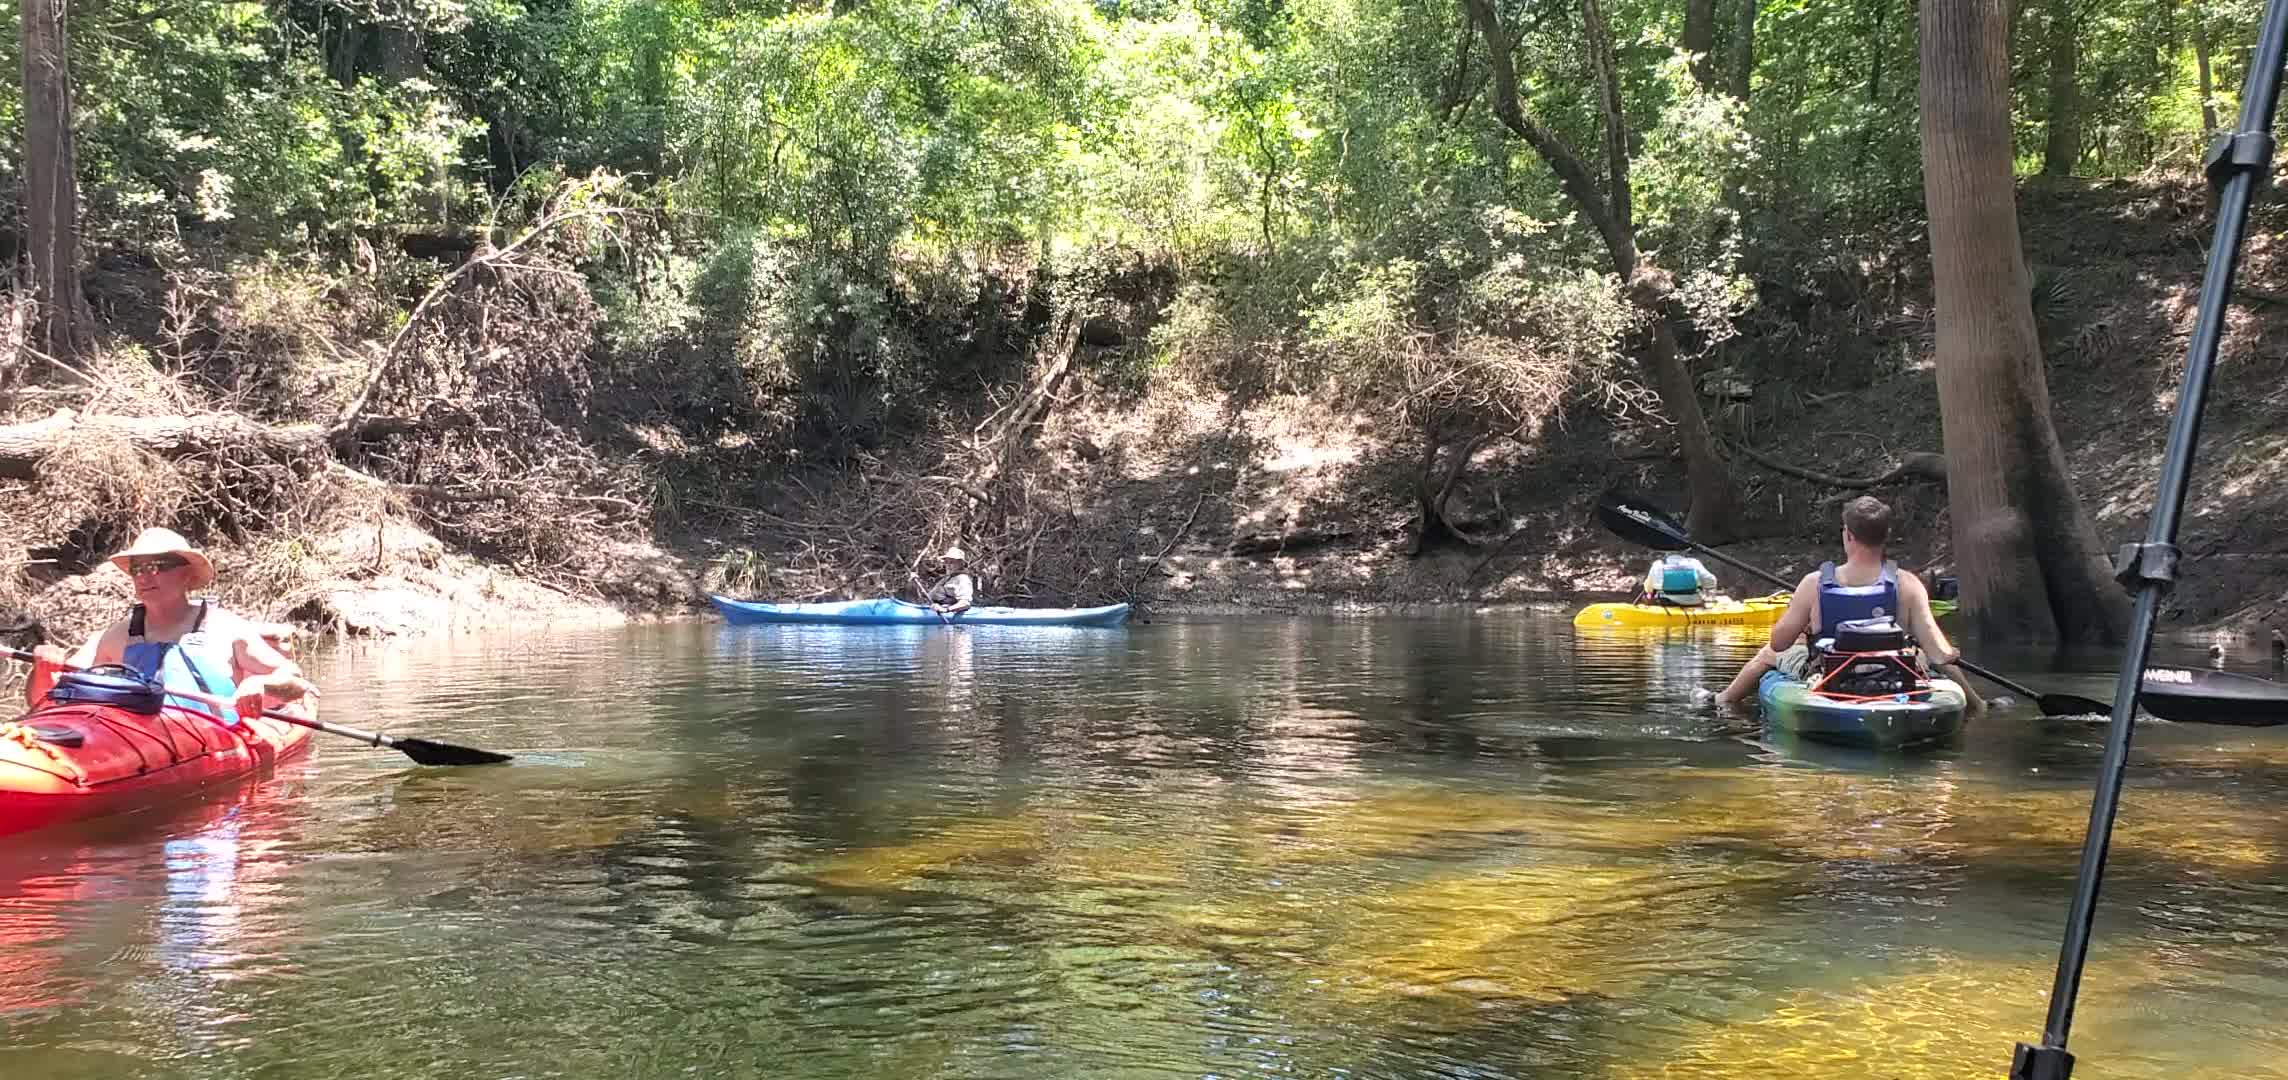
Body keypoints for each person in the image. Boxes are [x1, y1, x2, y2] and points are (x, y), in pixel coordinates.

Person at [1707, 496, 1981, 712]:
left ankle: (1723, 700)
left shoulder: (1813, 583)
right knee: (1929, 656)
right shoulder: (1908, 584)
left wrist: (1801, 620)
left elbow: (1780, 643)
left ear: (1848, 535)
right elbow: (1938, 652)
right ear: (1885, 537)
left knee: (1768, 652)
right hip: (1892, 671)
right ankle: (1978, 705)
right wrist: (1948, 652)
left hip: (1830, 673)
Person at [24, 528, 318, 724]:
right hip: (130, 741)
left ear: (187, 575)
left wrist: (259, 683)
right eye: (138, 569)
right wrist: (43, 669)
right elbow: (42, 699)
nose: (144, 577)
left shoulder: (228, 629)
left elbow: (295, 680)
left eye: (158, 566)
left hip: (212, 740)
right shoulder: (114, 638)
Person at [1641, 552, 1724, 607]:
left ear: (1666, 553)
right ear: (1684, 553)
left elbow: (1648, 588)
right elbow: (1711, 580)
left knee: (1647, 596)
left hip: (1667, 604)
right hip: (1694, 603)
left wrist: (1649, 594)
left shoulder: (1658, 564)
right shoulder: (1694, 563)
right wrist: (1708, 593)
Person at [926, 546, 976, 616]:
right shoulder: (948, 578)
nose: (948, 565)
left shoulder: (963, 579)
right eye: (946, 562)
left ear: (961, 563)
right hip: (934, 608)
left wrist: (946, 609)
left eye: (952, 562)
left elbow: (965, 603)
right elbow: (930, 595)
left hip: (948, 611)